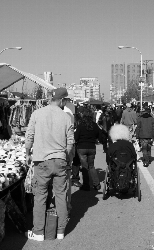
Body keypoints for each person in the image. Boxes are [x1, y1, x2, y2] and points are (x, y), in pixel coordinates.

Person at [25, 87, 74, 241]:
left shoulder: (37, 113)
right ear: (61, 100)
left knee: (40, 197)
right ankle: (60, 231)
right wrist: (65, 158)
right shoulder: (66, 117)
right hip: (60, 160)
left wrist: (27, 153)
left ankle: (39, 232)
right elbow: (70, 143)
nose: (66, 103)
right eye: (65, 100)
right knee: (61, 195)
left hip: (42, 161)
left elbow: (29, 136)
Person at [74, 109, 101, 191]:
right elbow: (99, 135)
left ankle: (86, 185)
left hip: (81, 147)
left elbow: (76, 137)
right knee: (91, 166)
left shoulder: (80, 125)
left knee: (85, 167)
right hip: (92, 147)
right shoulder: (94, 125)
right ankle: (96, 184)